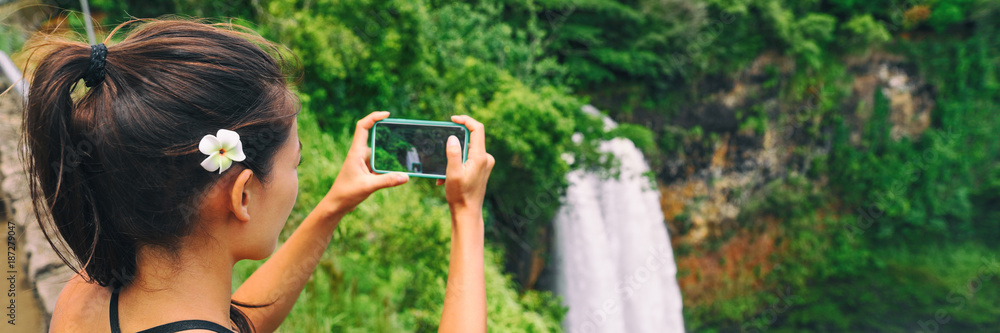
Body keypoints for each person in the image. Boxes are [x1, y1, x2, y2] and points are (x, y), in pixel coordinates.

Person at [21, 19, 494, 332]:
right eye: (297, 163)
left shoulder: (84, 295)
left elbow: (230, 324)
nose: (297, 181)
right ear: (242, 196)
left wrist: (334, 205)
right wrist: (468, 216)